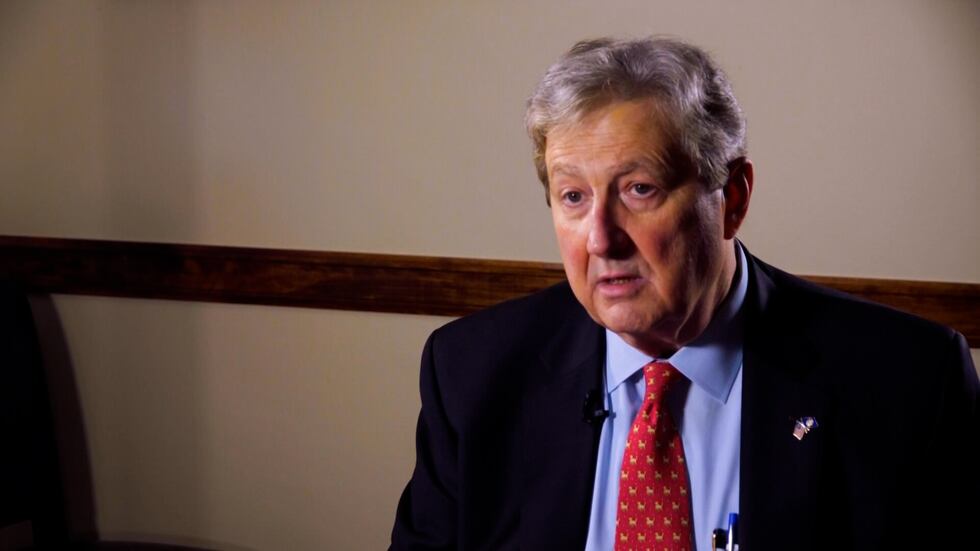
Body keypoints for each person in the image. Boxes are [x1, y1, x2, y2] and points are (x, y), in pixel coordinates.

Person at [390, 37, 978, 550]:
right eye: (573, 197)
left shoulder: (909, 383)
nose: (600, 239)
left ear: (733, 199)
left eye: (639, 189)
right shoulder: (473, 373)